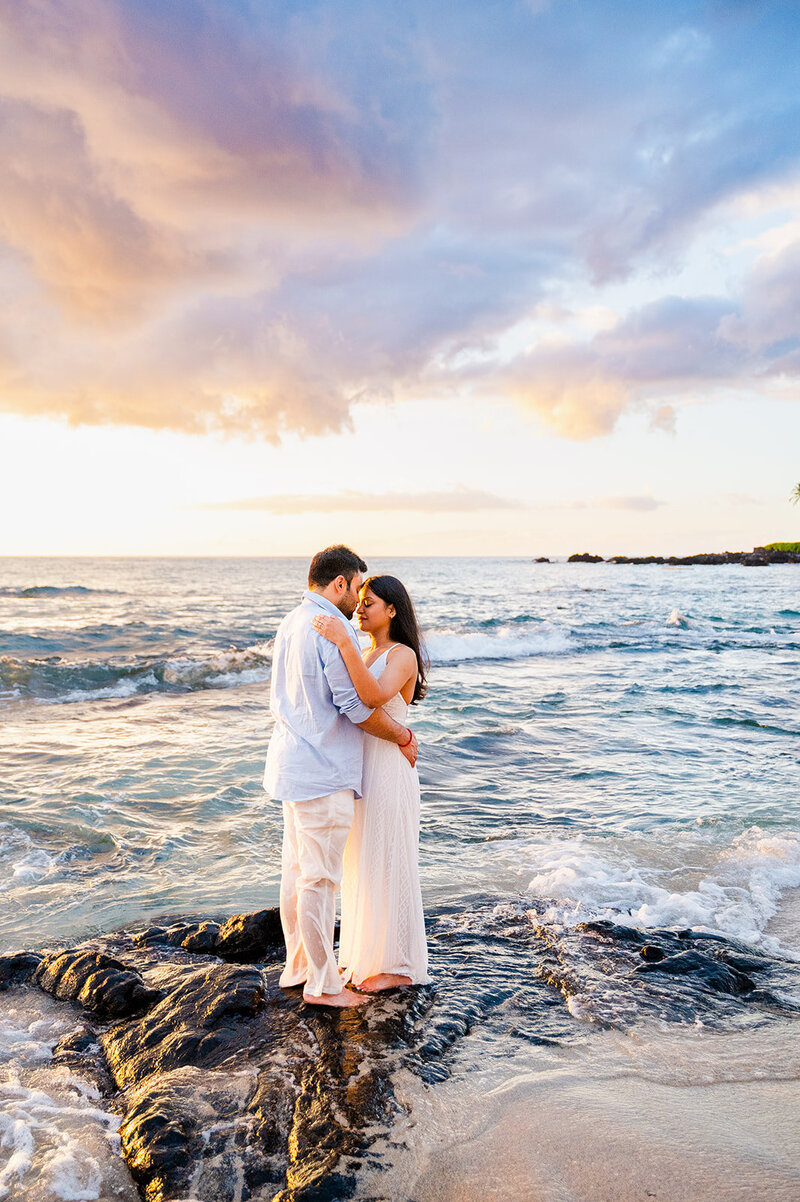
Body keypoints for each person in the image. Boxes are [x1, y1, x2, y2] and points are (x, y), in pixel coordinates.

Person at [264, 547, 418, 1009]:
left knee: (298, 873)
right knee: (318, 879)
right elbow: (356, 708)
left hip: (293, 766)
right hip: (324, 770)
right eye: (356, 589)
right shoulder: (329, 631)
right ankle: (323, 985)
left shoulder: (292, 621)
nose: (357, 601)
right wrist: (403, 735)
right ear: (339, 584)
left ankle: (301, 967)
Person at [312, 574, 429, 992]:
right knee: (362, 860)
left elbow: (373, 697)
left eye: (369, 603)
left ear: (392, 610)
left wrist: (342, 642)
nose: (359, 609)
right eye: (359, 602)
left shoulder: (403, 656)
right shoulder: (366, 650)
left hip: (390, 769)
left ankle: (397, 964)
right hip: (361, 769)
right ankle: (366, 956)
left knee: (390, 858)